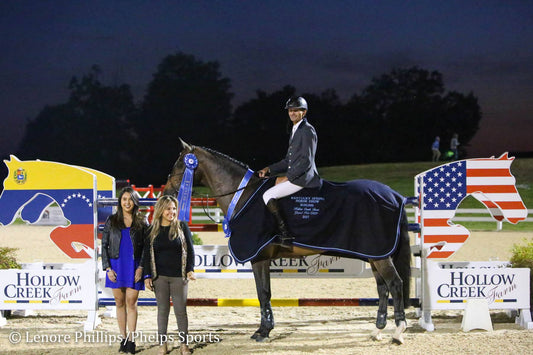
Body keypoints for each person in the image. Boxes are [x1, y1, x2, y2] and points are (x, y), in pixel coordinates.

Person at [258, 96, 320, 249]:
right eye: (290, 110)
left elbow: (306, 161)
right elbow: (288, 160)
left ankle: (286, 234)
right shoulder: (295, 129)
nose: (292, 113)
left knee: (268, 195)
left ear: (303, 112)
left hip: (303, 178)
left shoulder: (307, 130)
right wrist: (269, 169)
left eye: (295, 110)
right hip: (297, 175)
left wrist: (287, 178)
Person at [144, 195, 195, 355]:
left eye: (173, 208)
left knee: (180, 311)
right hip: (159, 277)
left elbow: (191, 250)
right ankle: (162, 344)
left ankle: (183, 345)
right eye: (168, 209)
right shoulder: (151, 231)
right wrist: (147, 275)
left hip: (179, 277)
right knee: (162, 311)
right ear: (160, 210)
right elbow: (146, 254)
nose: (171, 212)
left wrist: (190, 269)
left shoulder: (182, 227)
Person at [101, 187, 148, 354]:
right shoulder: (111, 220)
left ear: (135, 202)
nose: (127, 202)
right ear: (120, 201)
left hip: (134, 266)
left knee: (132, 303)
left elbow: (146, 248)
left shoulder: (142, 221)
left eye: (130, 199)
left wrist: (141, 267)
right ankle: (123, 338)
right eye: (124, 199)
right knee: (119, 303)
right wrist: (107, 268)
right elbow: (104, 245)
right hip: (115, 266)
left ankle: (132, 340)